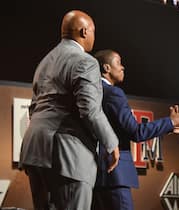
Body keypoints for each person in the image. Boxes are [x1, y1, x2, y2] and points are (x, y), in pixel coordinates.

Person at [19, 10, 120, 209]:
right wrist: (111, 142)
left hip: (34, 152)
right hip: (68, 156)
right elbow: (90, 110)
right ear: (84, 32)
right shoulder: (86, 61)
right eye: (93, 31)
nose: (93, 36)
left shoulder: (44, 63)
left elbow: (33, 109)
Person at [91, 49, 179, 210]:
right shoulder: (113, 94)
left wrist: (170, 126)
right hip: (114, 176)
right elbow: (136, 132)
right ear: (106, 68)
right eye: (118, 63)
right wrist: (171, 121)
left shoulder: (91, 93)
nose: (123, 67)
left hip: (94, 177)